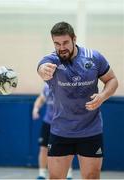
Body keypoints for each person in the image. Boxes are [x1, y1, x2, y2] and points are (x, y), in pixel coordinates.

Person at [37, 22, 118, 179]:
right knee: (55, 177)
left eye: (65, 42)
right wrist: (42, 70)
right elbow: (41, 67)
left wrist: (103, 96)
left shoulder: (94, 57)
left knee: (91, 177)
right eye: (57, 43)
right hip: (61, 130)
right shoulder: (51, 60)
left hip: (90, 129)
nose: (62, 47)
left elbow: (112, 80)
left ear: (74, 39)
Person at [32, 83, 73, 179]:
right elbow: (41, 98)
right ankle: (42, 174)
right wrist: (35, 108)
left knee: (67, 149)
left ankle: (68, 173)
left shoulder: (65, 85)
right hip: (48, 122)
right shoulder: (46, 87)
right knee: (43, 148)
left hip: (63, 123)